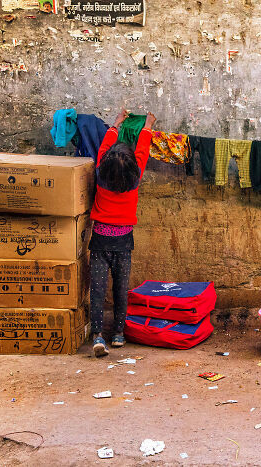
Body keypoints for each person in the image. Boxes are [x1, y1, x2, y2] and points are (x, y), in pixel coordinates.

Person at [89, 108, 156, 357]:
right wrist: (148, 123)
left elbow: (105, 146)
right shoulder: (135, 178)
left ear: (104, 163)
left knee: (97, 289)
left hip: (99, 241)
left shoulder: (100, 175)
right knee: (120, 288)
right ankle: (118, 333)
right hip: (124, 242)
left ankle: (97, 335)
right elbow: (143, 149)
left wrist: (116, 123)